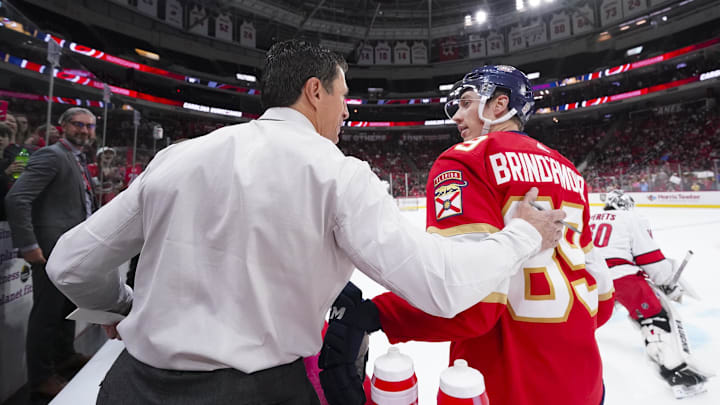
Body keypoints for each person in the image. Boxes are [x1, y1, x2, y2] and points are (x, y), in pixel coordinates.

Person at [44, 41, 565, 405]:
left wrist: (118, 305)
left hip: (134, 387)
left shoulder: (178, 158)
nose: (347, 112)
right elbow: (441, 285)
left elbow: (70, 263)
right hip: (260, 393)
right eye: (344, 96)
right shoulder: (338, 174)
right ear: (315, 91)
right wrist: (522, 233)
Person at [318, 65, 615, 405]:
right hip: (586, 385)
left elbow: (470, 307)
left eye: (465, 102)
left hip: (504, 386)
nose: (457, 116)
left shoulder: (466, 160)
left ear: (499, 105)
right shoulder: (572, 173)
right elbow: (603, 304)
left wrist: (377, 314)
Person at [4, 107, 98, 398]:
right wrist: (29, 245)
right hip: (48, 250)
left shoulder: (78, 159)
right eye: (78, 125)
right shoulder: (51, 155)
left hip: (70, 250)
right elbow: (17, 197)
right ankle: (41, 377)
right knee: (46, 315)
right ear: (63, 127)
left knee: (65, 309)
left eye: (89, 126)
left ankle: (64, 355)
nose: (84, 130)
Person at [588, 189, 709, 398]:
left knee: (585, 321)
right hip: (622, 277)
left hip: (589, 278)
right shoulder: (631, 218)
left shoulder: (589, 218)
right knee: (656, 319)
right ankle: (676, 375)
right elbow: (648, 255)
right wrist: (665, 281)